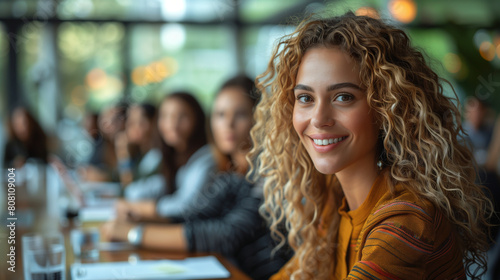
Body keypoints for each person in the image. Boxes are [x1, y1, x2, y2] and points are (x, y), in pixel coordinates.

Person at [247, 12, 494, 279]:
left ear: (386, 108)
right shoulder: (335, 203)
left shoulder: (407, 220)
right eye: (305, 98)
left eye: (343, 97)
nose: (318, 119)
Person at [102, 76, 289, 279]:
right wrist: (140, 219)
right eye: (220, 114)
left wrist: (134, 233)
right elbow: (194, 214)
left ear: (259, 118)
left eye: (241, 114)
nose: (228, 124)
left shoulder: (267, 170)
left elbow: (225, 234)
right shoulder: (230, 172)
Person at [114, 92, 214, 219]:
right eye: (166, 116)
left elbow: (186, 207)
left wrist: (144, 208)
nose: (173, 124)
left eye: (182, 116)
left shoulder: (206, 159)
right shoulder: (172, 156)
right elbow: (137, 191)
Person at [116, 103, 165, 200]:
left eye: (137, 121)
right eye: (129, 121)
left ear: (152, 123)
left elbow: (129, 189)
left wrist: (122, 152)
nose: (129, 126)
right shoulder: (142, 153)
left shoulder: (156, 156)